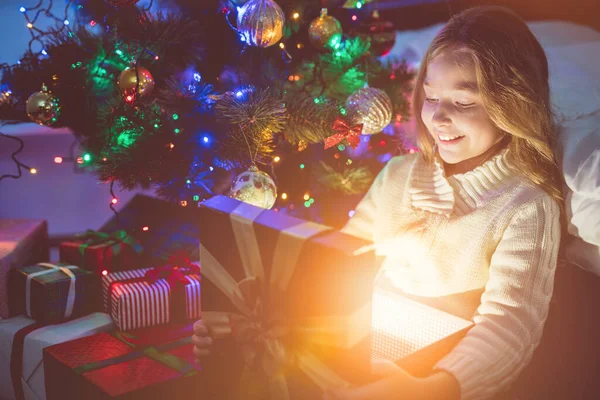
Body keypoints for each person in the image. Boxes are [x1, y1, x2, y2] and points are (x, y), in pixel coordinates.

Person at [193, 5, 565, 399]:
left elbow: (509, 327)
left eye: (464, 102)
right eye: (431, 97)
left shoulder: (526, 205)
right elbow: (336, 264)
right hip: (359, 354)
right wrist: (249, 330)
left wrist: (432, 388)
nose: (438, 117)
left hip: (437, 376)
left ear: (515, 103)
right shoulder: (399, 174)